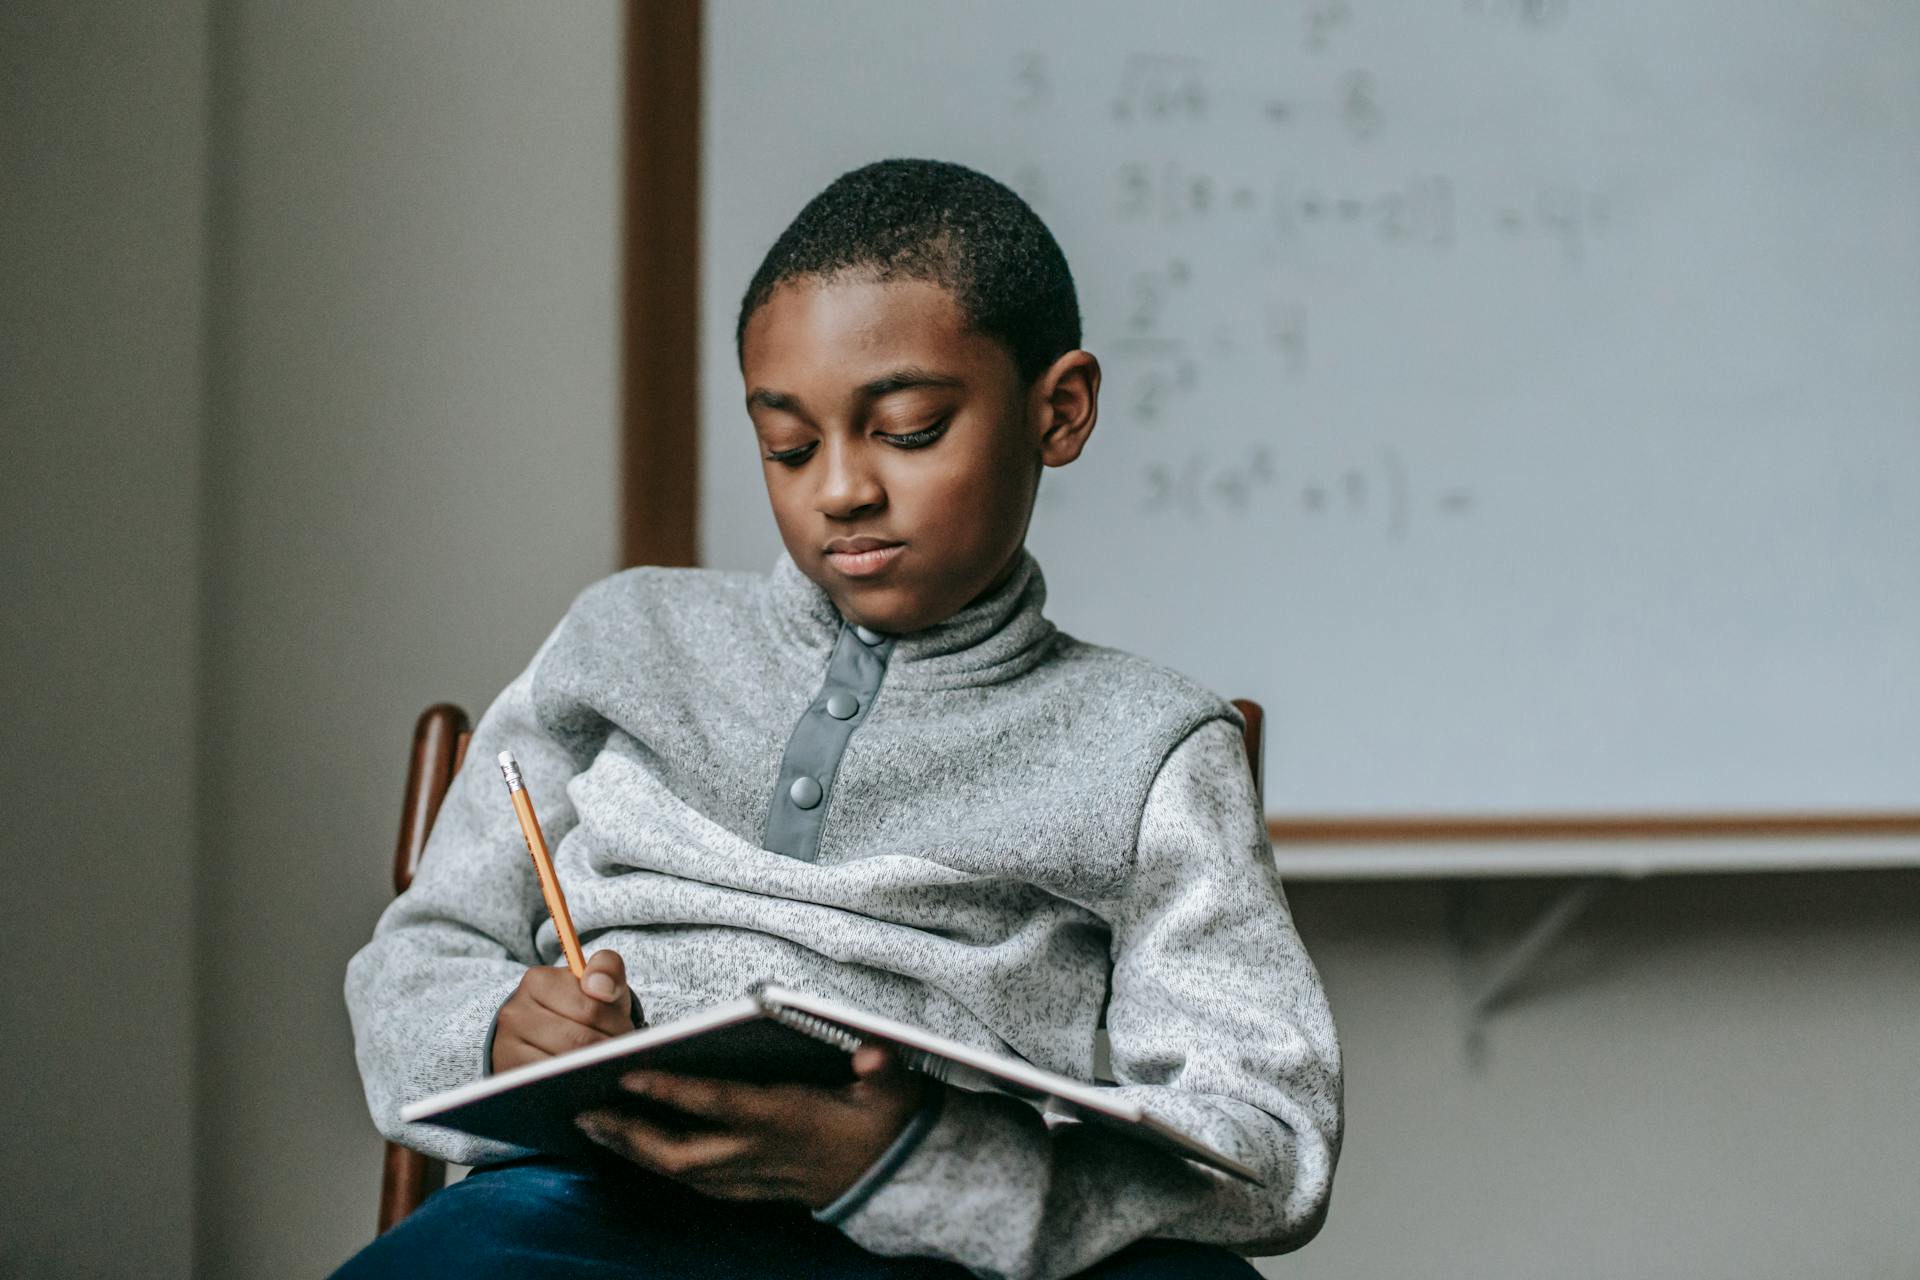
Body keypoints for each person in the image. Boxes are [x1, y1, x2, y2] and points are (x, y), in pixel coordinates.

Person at [334, 158, 1341, 1280]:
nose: (841, 490)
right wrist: (499, 1033)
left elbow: (1270, 1136)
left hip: (937, 1243)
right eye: (789, 444)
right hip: (583, 1210)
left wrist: (919, 1158)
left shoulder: (1150, 743)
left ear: (1058, 410)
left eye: (907, 429)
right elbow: (418, 960)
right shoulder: (623, 638)